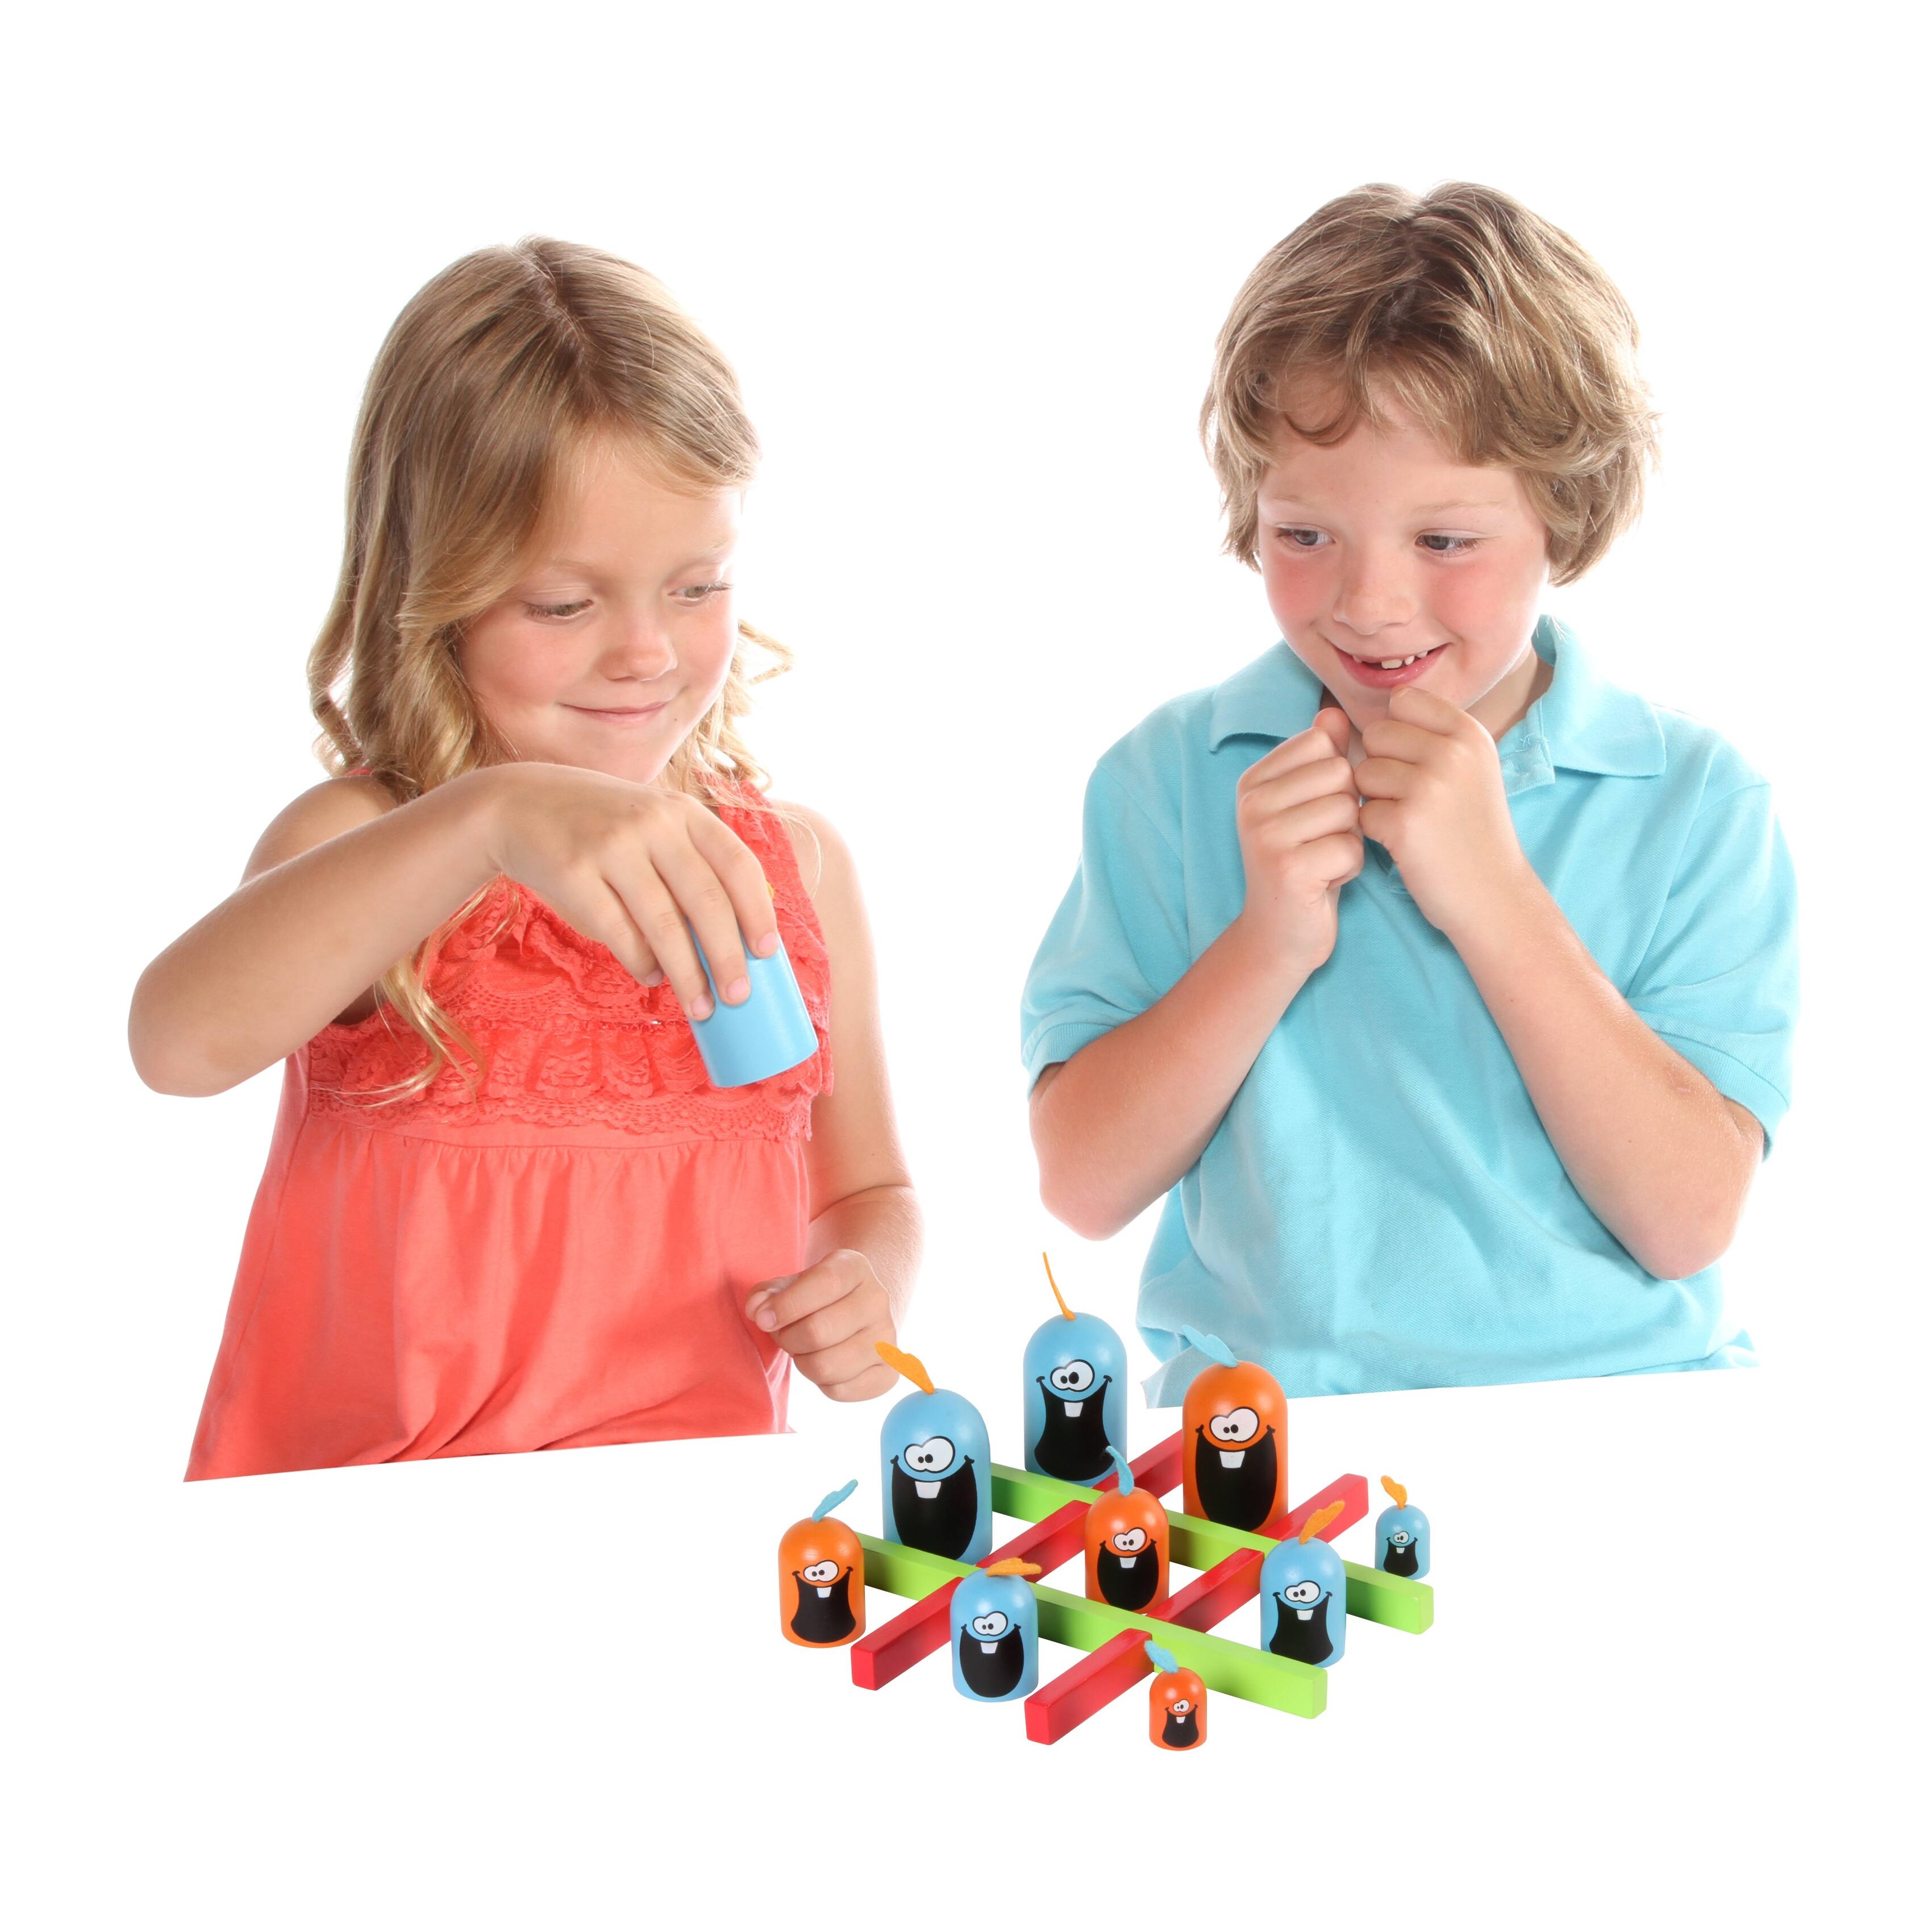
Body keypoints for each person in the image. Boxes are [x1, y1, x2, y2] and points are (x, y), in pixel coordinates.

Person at [132, 239, 918, 1477]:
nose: (646, 653)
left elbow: (868, 1190)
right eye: (564, 604)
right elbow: (174, 1047)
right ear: (434, 589)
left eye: (697, 586)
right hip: (360, 1528)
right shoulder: (366, 847)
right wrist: (484, 817)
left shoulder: (791, 871)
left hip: (675, 1508)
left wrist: (867, 1284)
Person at [1022, 183, 1796, 1402]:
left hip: (1625, 1414)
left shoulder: (1695, 800)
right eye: (1304, 535)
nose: (1369, 604)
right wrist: (1268, 941)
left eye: (1443, 541)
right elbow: (1082, 1185)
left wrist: (1492, 895)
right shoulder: (1168, 778)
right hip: (1270, 1436)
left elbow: (1687, 1220)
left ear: (1563, 518)